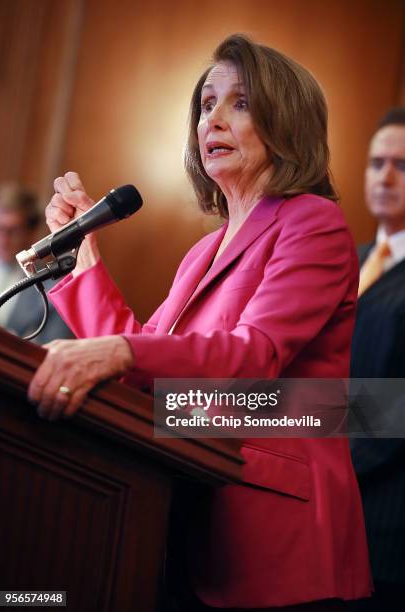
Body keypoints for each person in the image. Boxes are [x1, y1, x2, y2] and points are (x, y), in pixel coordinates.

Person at [28, 35, 372, 610]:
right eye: (206, 103)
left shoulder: (314, 223)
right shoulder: (203, 252)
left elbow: (254, 354)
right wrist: (83, 256)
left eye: (239, 103)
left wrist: (121, 352)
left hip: (276, 537)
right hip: (189, 516)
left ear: (286, 121)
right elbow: (145, 363)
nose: (212, 118)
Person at [349, 107, 405, 611]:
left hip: (387, 523)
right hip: (326, 508)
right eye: (376, 162)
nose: (385, 176)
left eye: (402, 165)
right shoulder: (350, 260)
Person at [0, 182, 73, 343]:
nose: (3, 239)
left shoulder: (55, 288)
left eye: (13, 231)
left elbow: (50, 351)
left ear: (31, 233)